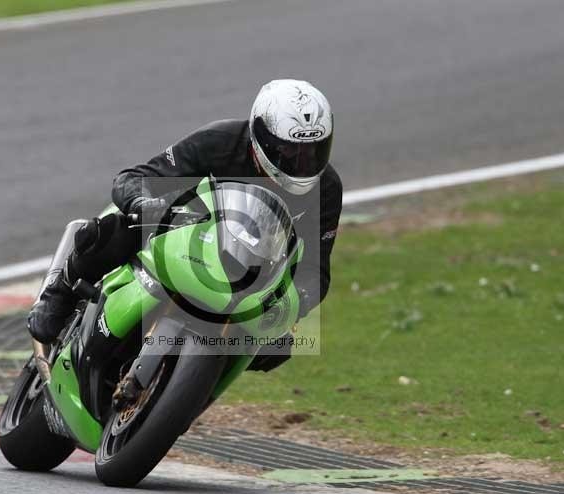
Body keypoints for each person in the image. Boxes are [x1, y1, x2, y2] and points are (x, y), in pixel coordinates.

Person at [28, 79, 343, 371]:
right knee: (115, 229)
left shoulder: (326, 188)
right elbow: (133, 178)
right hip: (186, 232)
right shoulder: (220, 141)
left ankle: (195, 386)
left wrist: (294, 302)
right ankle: (60, 292)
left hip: (251, 272)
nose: (303, 161)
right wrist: (145, 204)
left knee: (279, 348)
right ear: (259, 137)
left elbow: (317, 270)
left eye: (314, 150)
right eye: (290, 150)